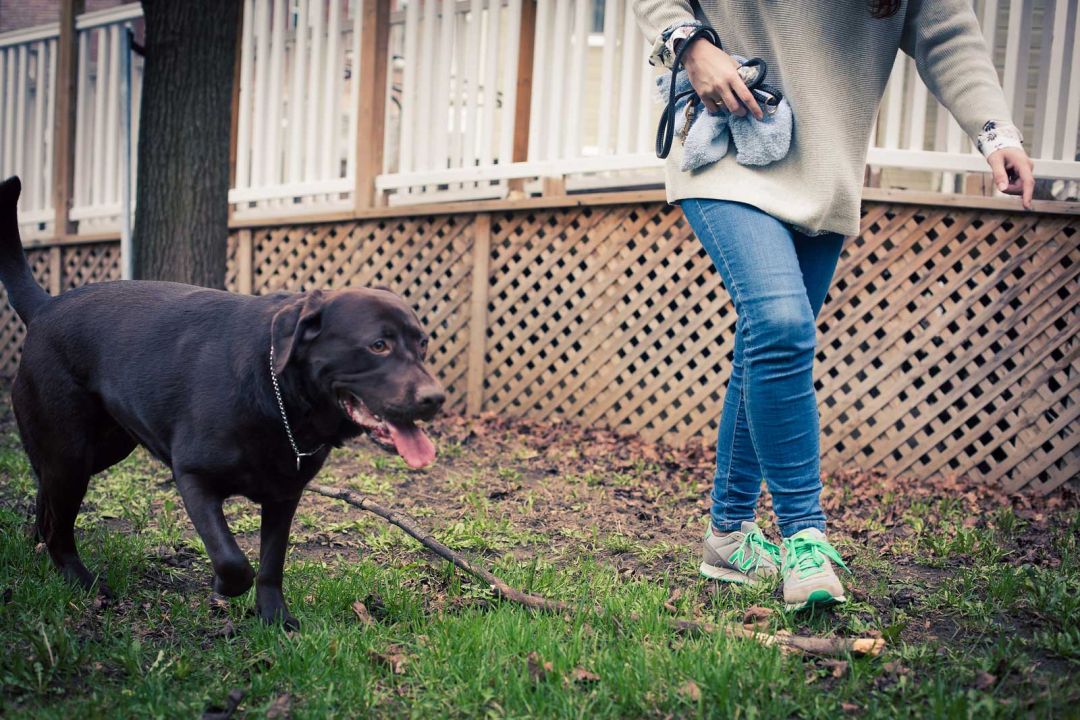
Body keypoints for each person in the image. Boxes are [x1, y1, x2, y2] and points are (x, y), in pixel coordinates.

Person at [631, 0, 1035, 610]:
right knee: (781, 324)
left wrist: (995, 132)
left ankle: (728, 533)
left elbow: (948, 34)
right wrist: (691, 45)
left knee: (765, 346)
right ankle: (804, 537)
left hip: (823, 172)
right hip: (724, 144)